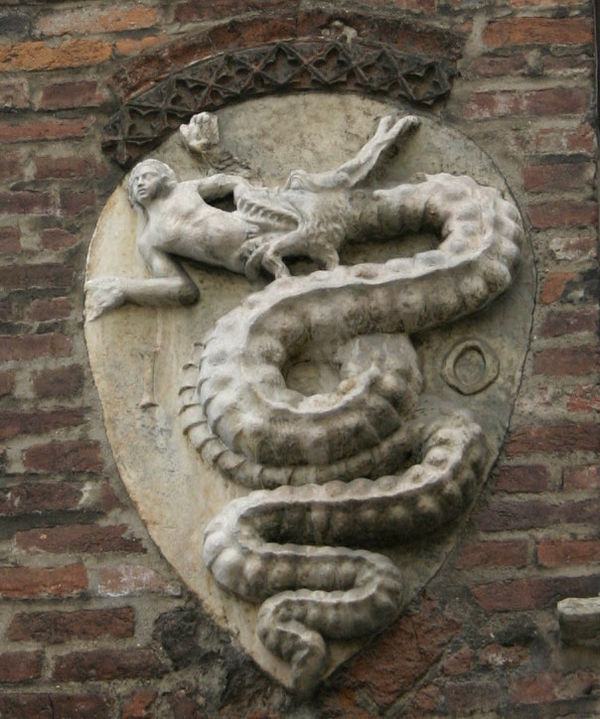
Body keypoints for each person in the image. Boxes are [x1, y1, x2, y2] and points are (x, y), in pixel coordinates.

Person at [85, 114, 420, 320]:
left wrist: (211, 155)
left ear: (165, 175)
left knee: (326, 189)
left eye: (146, 174)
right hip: (253, 255)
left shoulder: (187, 190)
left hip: (258, 215)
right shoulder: (150, 241)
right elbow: (182, 289)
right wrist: (127, 289)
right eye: (135, 182)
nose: (140, 182)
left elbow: (231, 179)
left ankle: (382, 143)